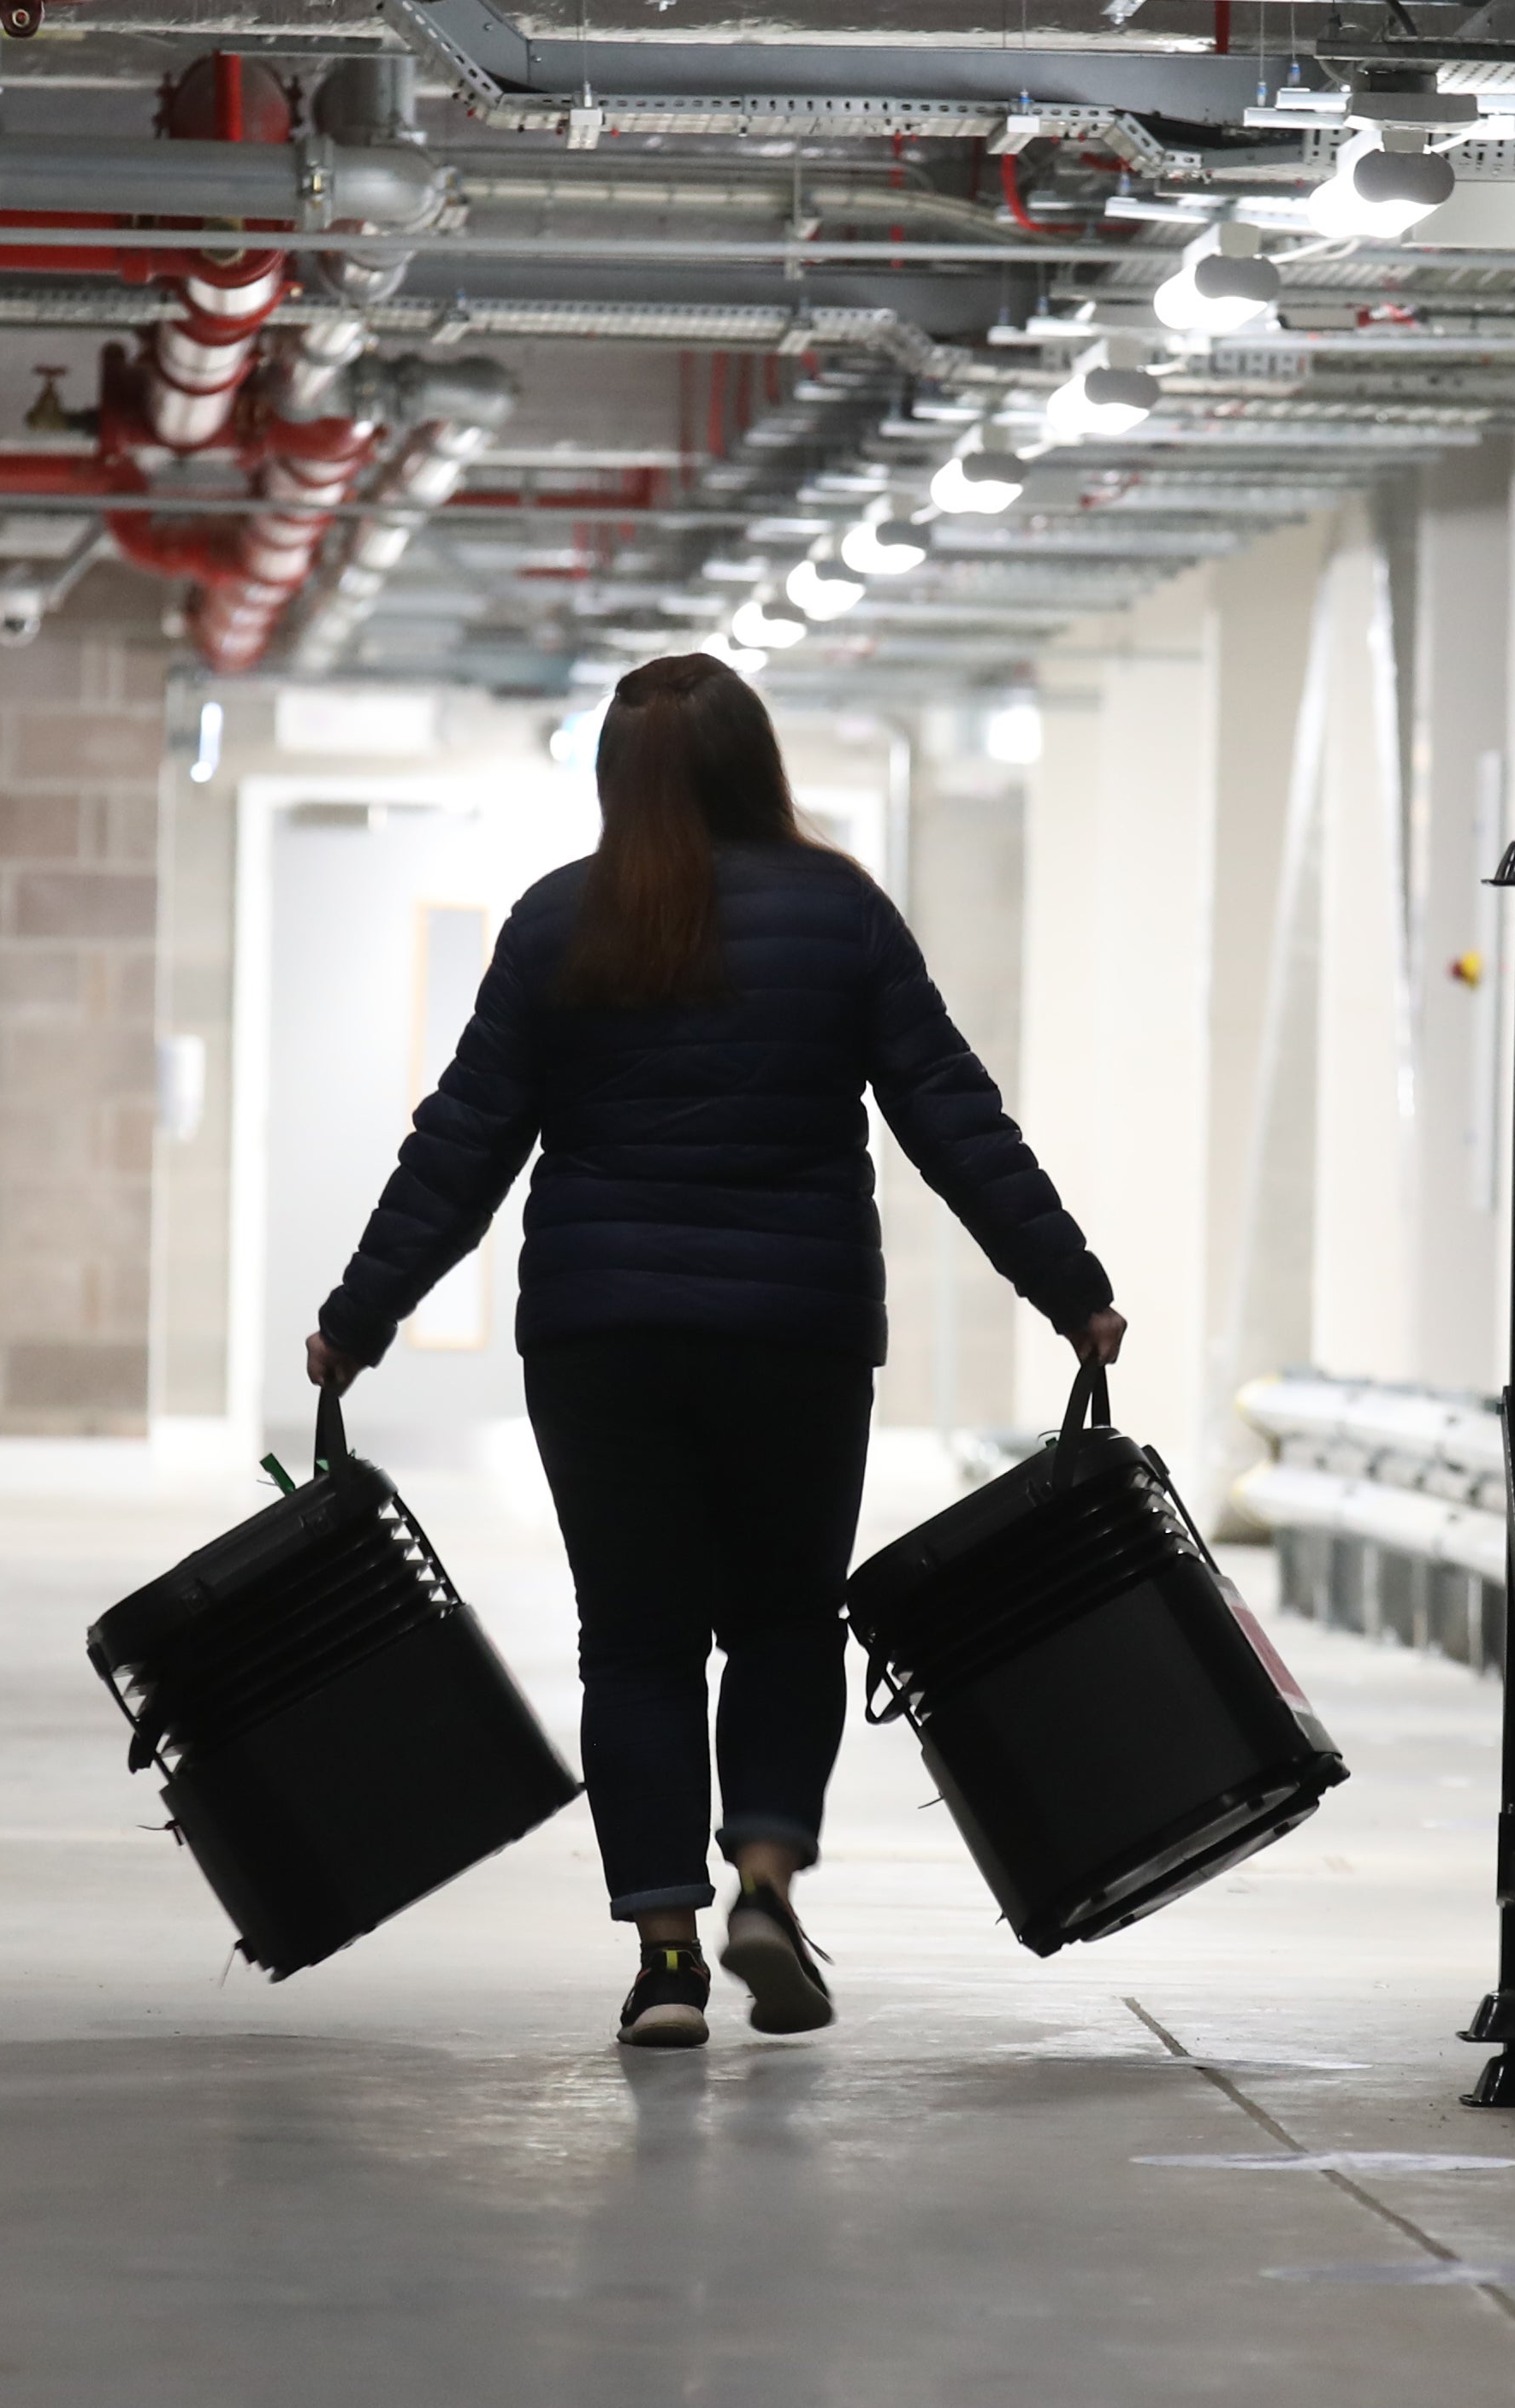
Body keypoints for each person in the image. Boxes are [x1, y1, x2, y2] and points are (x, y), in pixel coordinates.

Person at [311, 652, 1121, 2051]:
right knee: (783, 1622)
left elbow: (463, 1146)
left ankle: (666, 1959)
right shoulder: (839, 915)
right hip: (793, 1338)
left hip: (600, 1342)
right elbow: (952, 1118)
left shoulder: (562, 921)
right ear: (759, 766)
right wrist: (1071, 1286)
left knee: (634, 1644)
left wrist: (361, 1316)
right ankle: (763, 1881)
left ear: (615, 784)